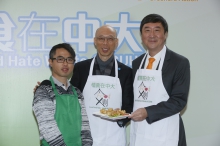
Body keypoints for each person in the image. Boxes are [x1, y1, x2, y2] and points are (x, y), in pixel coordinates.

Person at [129, 14, 190, 146]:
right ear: (141, 36)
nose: (152, 35)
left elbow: (179, 101)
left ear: (165, 34)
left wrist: (147, 112)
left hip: (166, 131)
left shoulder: (179, 62)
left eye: (157, 30)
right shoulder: (136, 63)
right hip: (140, 131)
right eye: (147, 30)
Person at [70, 25, 133, 146]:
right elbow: (72, 99)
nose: (105, 43)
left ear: (116, 42)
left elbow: (129, 105)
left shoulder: (126, 72)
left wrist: (120, 118)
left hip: (114, 136)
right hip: (85, 134)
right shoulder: (81, 68)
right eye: (101, 38)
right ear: (95, 41)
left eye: (110, 39)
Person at [32, 43, 93, 146]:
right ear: (50, 62)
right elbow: (48, 127)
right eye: (60, 59)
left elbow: (85, 126)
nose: (65, 64)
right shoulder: (43, 91)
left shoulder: (77, 92)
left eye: (69, 60)